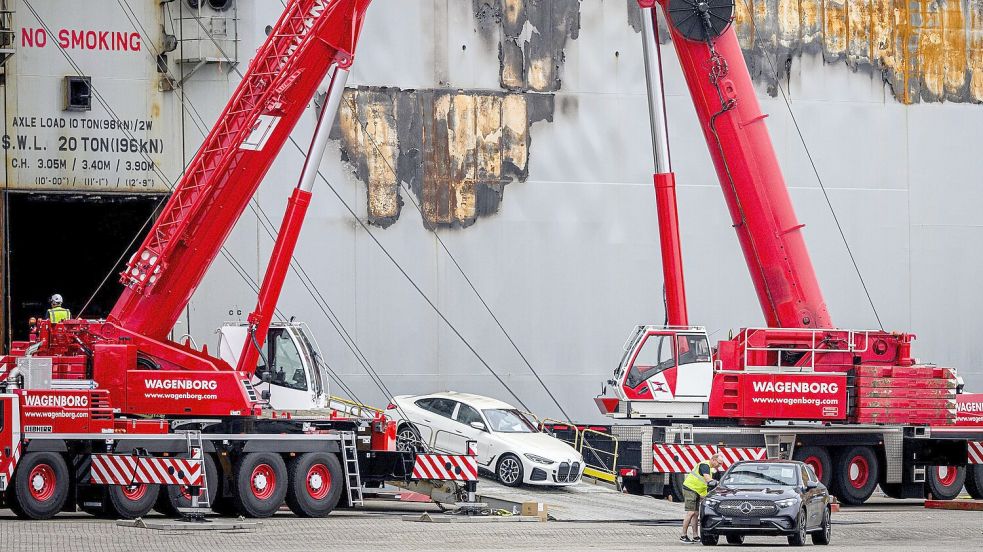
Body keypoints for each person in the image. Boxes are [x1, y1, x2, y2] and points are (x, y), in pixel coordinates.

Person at [680, 452, 723, 543]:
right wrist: (720, 483)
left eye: (721, 463)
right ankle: (683, 536)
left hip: (696, 491)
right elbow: (708, 480)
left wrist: (705, 497)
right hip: (690, 489)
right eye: (719, 463)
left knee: (696, 514)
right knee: (691, 512)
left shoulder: (710, 470)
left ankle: (695, 536)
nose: (720, 465)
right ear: (713, 460)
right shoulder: (705, 465)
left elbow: (704, 485)